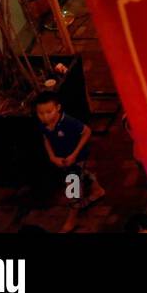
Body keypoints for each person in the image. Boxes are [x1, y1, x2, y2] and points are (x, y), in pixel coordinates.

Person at [36, 93, 105, 233]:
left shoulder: (68, 122)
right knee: (81, 175)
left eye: (49, 112)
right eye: (41, 113)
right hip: (63, 160)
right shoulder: (44, 124)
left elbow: (87, 132)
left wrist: (74, 154)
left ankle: (72, 219)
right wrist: (52, 157)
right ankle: (98, 190)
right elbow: (46, 138)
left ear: (58, 108)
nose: (45, 116)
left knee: (72, 189)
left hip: (77, 159)